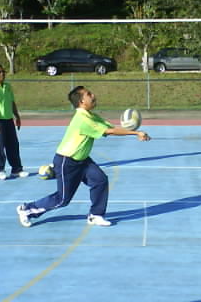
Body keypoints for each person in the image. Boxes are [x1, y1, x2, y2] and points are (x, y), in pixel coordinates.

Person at [16, 85, 151, 228]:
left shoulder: (91, 116)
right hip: (67, 161)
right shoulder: (83, 119)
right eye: (89, 94)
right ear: (81, 101)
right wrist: (136, 133)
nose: (93, 95)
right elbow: (109, 132)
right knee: (63, 200)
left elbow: (111, 127)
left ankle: (95, 215)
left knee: (100, 180)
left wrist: (131, 128)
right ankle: (27, 209)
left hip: (83, 161)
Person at [0, 64, 28, 180]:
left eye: (3, 72)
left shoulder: (7, 86)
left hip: (9, 120)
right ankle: (0, 170)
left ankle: (16, 169)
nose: (2, 74)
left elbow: (12, 102)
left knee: (13, 145)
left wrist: (17, 116)